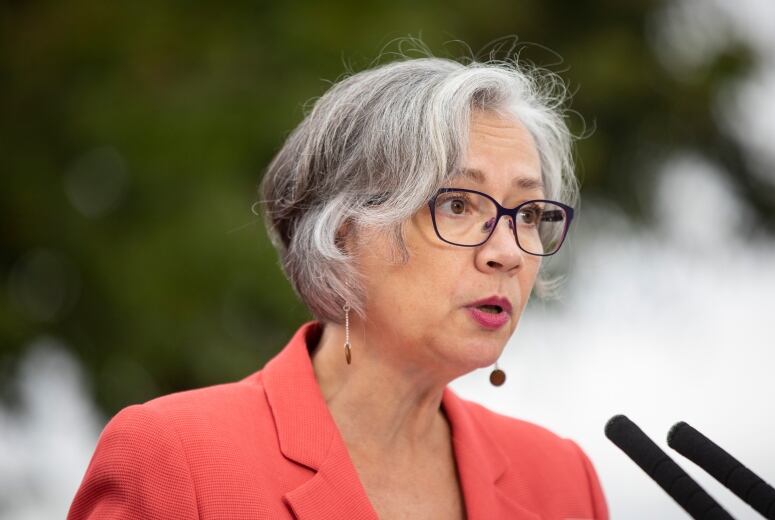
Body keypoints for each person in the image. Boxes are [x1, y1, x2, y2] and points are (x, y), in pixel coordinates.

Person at [68, 49, 609, 519]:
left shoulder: (563, 482)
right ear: (344, 230)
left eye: (530, 212)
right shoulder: (173, 459)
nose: (508, 252)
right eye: (457, 204)